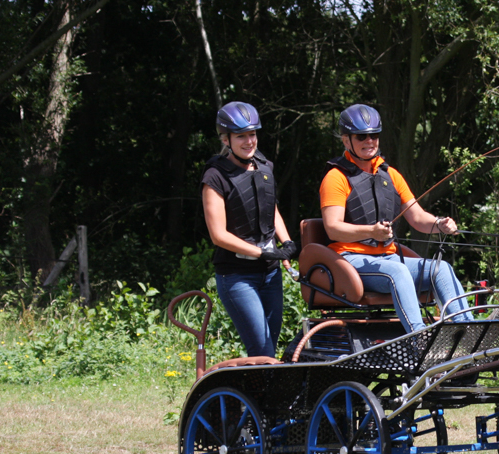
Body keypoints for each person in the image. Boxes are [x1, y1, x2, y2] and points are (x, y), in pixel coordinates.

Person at [319, 103, 473, 332]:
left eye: (374, 135)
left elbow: (417, 217)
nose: (369, 141)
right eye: (361, 136)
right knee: (398, 271)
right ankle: (418, 338)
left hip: (388, 258)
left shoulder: (390, 175)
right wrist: (371, 232)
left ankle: (468, 331)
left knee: (441, 269)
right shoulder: (335, 178)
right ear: (346, 140)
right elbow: (333, 228)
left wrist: (439, 224)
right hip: (349, 260)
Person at [201, 101, 298, 358]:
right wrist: (261, 252)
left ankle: (260, 386)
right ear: (226, 139)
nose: (249, 141)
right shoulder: (215, 176)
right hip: (237, 276)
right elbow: (218, 235)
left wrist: (286, 243)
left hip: (270, 274)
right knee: (262, 350)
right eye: (241, 136)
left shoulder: (265, 167)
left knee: (269, 349)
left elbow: (271, 209)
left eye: (252, 134)